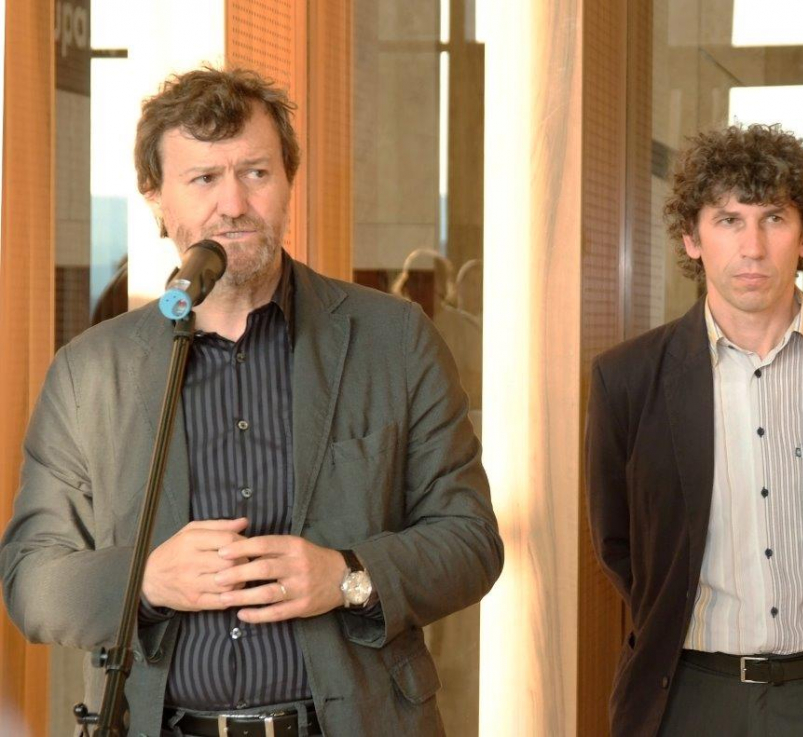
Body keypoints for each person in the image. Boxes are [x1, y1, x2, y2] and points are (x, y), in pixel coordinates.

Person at [0, 67, 503, 737]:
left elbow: (470, 539)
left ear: (289, 180)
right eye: (204, 178)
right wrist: (145, 581)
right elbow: (30, 579)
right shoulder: (89, 370)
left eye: (256, 173)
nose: (233, 204)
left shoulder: (394, 339)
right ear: (156, 200)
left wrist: (348, 576)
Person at [586, 123, 803, 737]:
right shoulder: (626, 379)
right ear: (692, 238)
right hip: (687, 699)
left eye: (774, 219)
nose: (753, 248)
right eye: (728, 220)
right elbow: (618, 544)